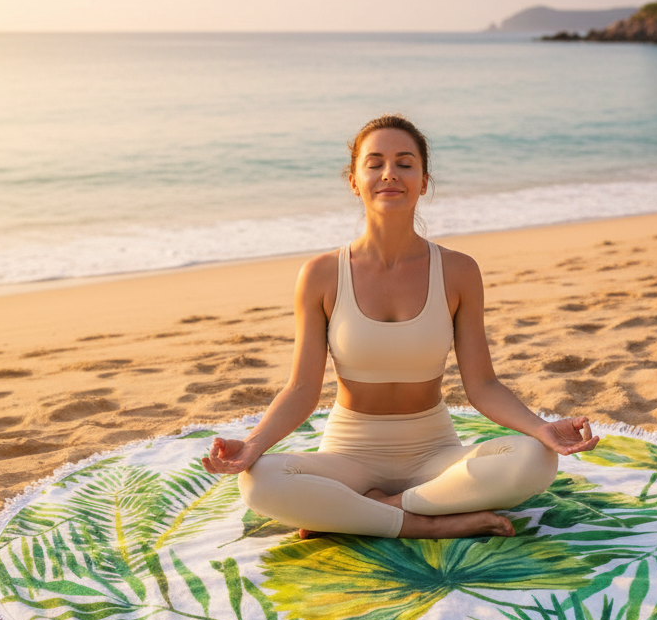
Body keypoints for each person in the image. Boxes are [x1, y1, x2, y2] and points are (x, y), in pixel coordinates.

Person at [202, 114, 598, 539]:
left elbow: (483, 385)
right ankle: (424, 524)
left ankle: (377, 511)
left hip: (433, 456)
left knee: (536, 459)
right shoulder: (321, 274)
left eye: (405, 163)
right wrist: (253, 445)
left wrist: (541, 428)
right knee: (258, 481)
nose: (389, 173)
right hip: (348, 457)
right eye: (375, 163)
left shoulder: (458, 271)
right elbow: (302, 389)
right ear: (355, 181)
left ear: (423, 181)